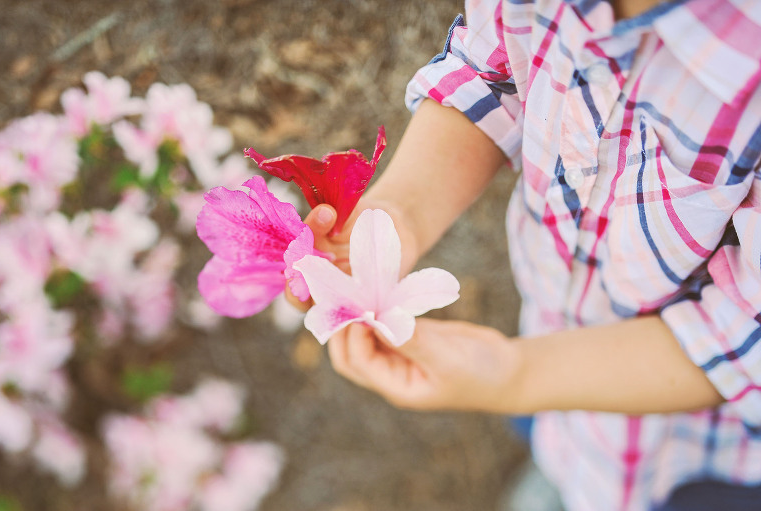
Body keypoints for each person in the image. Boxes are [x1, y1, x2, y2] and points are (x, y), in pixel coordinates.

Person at [290, 0, 761, 509]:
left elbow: (744, 333)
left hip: (704, 453)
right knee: (551, 441)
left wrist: (514, 377)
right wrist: (395, 220)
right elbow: (493, 70)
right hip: (549, 336)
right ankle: (564, 475)